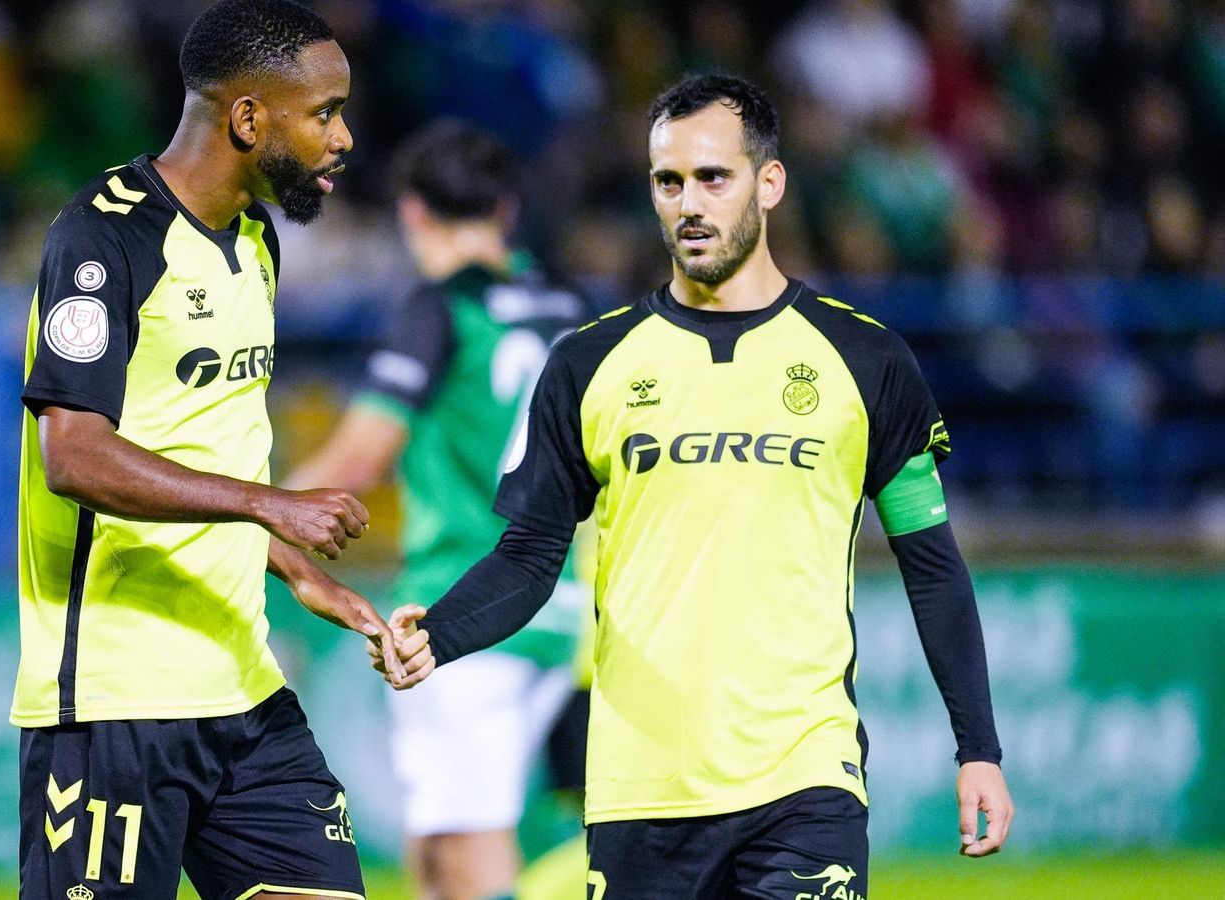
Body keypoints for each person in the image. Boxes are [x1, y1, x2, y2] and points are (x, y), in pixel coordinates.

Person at [377, 74, 1015, 899]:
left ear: (770, 182)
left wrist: (979, 751)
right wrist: (441, 633)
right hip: (640, 788)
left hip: (804, 780)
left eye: (714, 177)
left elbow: (931, 564)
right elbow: (531, 555)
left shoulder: (866, 359)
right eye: (668, 181)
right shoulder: (589, 363)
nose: (689, 203)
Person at [12, 2, 402, 898]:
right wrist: (268, 504)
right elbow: (72, 455)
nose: (343, 138)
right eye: (325, 113)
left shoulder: (256, 243)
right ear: (249, 119)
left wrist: (291, 568)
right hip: (115, 702)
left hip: (244, 687)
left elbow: (191, 441)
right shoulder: (103, 236)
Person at [285, 120, 587, 900]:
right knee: (446, 850)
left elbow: (359, 457)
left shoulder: (438, 309)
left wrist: (248, 512)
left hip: (463, 604)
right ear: (507, 210)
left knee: (465, 851)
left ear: (413, 213)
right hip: (571, 608)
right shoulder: (572, 309)